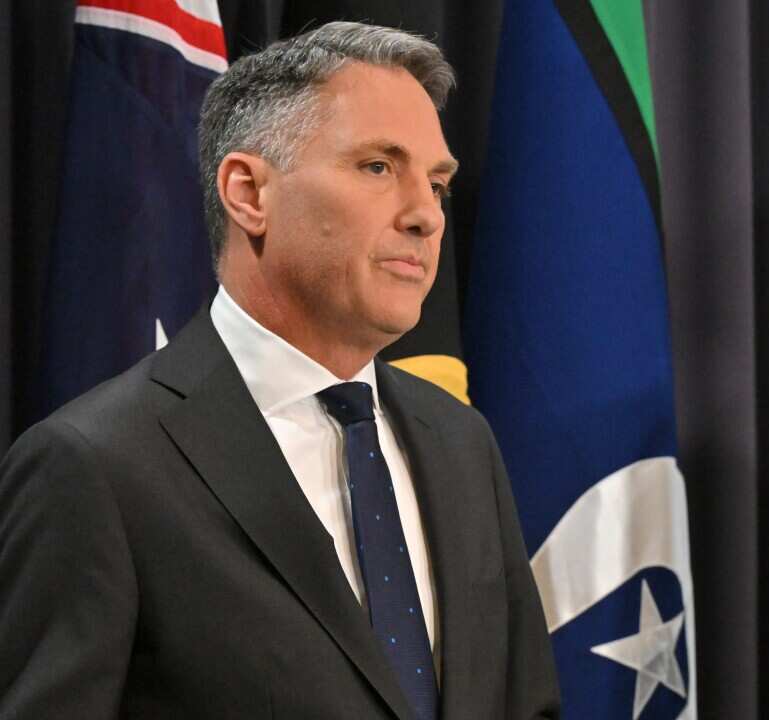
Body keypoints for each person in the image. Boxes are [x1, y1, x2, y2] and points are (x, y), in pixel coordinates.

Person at [0, 22, 559, 719]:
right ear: (249, 193)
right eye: (379, 167)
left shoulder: (460, 440)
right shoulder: (95, 467)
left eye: (438, 184)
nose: (425, 215)